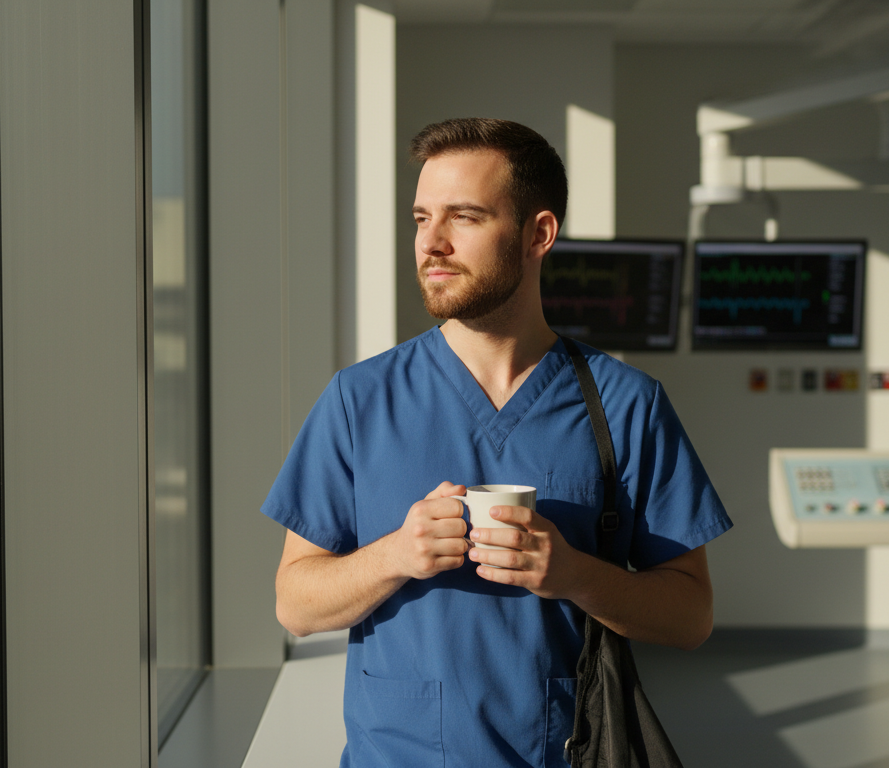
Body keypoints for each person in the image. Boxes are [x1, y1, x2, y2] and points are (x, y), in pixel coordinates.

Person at [263, 117, 732, 768]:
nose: (432, 243)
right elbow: (295, 604)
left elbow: (691, 616)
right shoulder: (359, 400)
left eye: (464, 217)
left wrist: (573, 575)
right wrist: (395, 555)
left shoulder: (626, 406)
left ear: (539, 234)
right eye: (421, 218)